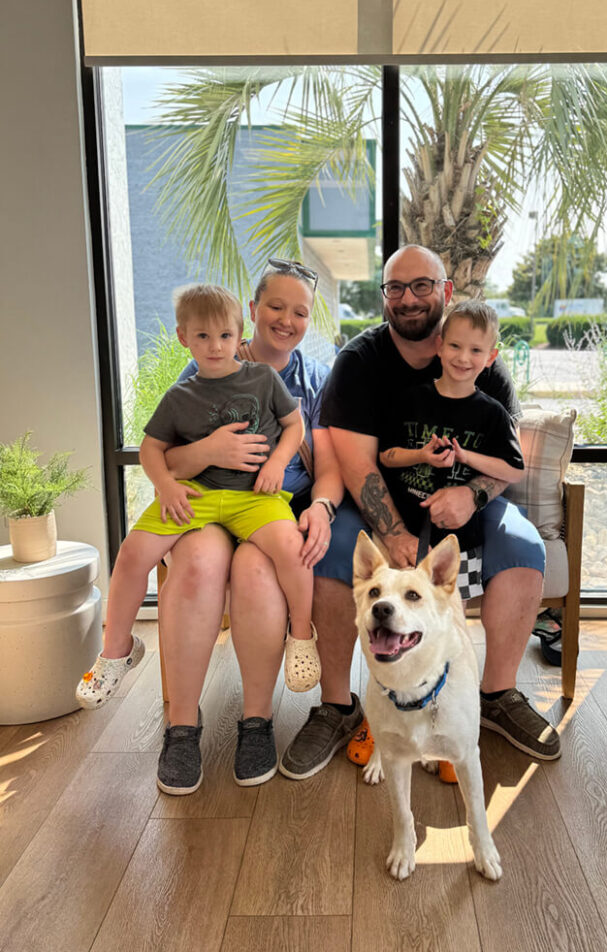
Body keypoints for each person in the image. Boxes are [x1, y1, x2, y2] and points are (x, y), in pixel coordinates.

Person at [281, 244, 559, 777]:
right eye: (396, 288)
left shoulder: (474, 350)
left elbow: (506, 460)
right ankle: (338, 705)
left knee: (523, 547)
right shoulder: (359, 362)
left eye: (422, 286)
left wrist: (471, 495)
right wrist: (394, 534)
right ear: (384, 296)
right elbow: (358, 463)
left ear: (446, 291)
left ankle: (497, 696)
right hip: (377, 508)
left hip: (464, 506)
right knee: (333, 549)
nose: (408, 299)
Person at [76, 283, 321, 726]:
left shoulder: (263, 379)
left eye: (225, 336)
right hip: (198, 498)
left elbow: (294, 426)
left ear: (238, 334)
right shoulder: (180, 395)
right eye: (203, 337)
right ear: (183, 337)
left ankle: (301, 635)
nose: (215, 346)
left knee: (291, 547)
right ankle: (117, 651)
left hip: (255, 498)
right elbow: (152, 450)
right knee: (132, 553)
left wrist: (278, 463)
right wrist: (167, 485)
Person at [150, 260, 351, 794]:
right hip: (209, 505)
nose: (286, 320)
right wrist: (212, 449)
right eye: (276, 307)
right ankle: (182, 727)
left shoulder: (314, 380)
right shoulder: (206, 367)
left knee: (258, 575)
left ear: (310, 320)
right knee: (196, 567)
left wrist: (322, 508)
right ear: (254, 310)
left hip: (275, 509)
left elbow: (329, 467)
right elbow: (164, 464)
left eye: (300, 312)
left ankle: (256, 722)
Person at [379, 299, 525, 568]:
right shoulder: (409, 401)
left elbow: (515, 470)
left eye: (476, 350)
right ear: (440, 346)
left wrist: (465, 456)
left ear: (491, 357)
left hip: (461, 542)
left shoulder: (493, 414)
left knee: (454, 609)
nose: (463, 358)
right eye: (455, 346)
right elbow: (386, 456)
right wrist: (421, 455)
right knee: (404, 608)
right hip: (407, 534)